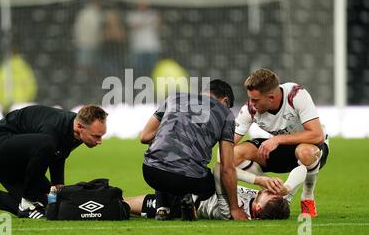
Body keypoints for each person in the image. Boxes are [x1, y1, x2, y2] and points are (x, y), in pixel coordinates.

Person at [0, 104, 108, 219]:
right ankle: (27, 201)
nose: (100, 141)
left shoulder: (76, 131)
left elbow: (59, 156)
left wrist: (57, 188)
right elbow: (47, 150)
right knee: (46, 145)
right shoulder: (54, 127)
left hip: (20, 158)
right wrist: (30, 197)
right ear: (80, 127)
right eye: (96, 136)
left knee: (48, 205)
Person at [140, 79, 248, 221]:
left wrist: (170, 138)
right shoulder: (226, 114)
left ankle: (162, 207)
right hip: (189, 180)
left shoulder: (175, 97)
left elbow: (145, 137)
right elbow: (227, 167)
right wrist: (234, 208)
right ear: (225, 100)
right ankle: (187, 200)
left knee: (163, 149)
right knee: (208, 185)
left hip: (151, 173)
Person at [233, 68, 329, 217]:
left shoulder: (296, 95)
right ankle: (269, 188)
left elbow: (317, 135)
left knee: (305, 152)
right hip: (282, 151)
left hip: (312, 149)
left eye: (255, 100)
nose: (251, 104)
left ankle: (307, 197)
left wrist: (277, 139)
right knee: (233, 154)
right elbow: (228, 144)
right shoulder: (249, 109)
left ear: (271, 97)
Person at [126, 165, 308, 220]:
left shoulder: (231, 213)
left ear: (258, 208)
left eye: (270, 194)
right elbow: (303, 169)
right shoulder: (278, 205)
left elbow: (220, 170)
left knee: (124, 206)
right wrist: (288, 188)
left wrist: (257, 180)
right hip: (191, 187)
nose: (270, 190)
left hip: (179, 204)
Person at [126, 0, 161, 77]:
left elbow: (157, 25)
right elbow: (133, 26)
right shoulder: (133, 15)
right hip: (138, 47)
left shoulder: (153, 14)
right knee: (138, 69)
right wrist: (147, 22)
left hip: (151, 46)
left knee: (153, 68)